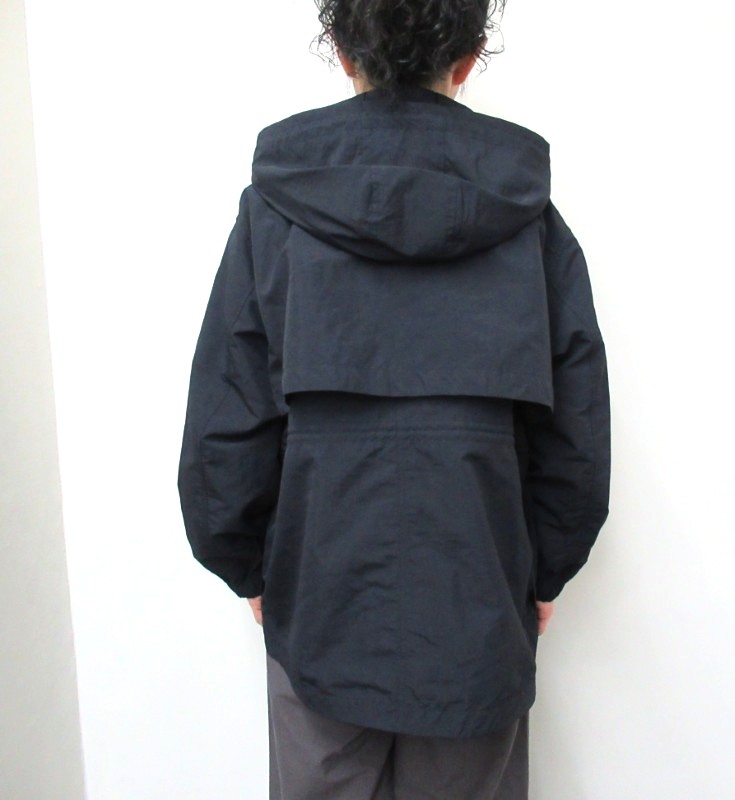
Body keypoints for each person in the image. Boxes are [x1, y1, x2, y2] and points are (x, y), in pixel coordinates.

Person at [177, 1, 610, 797]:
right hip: (478, 599)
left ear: (342, 51)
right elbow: (575, 434)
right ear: (469, 58)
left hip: (320, 599)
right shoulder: (531, 221)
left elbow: (226, 418)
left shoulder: (273, 212)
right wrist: (545, 571)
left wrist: (244, 564)